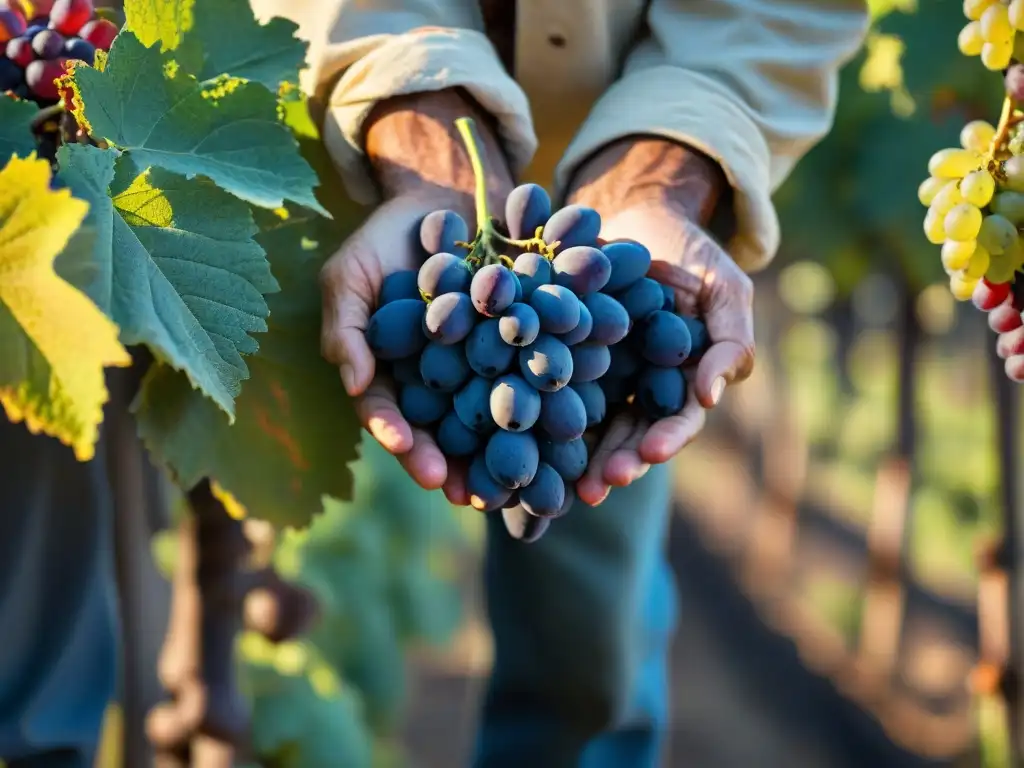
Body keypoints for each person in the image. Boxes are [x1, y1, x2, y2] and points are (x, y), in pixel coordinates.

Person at [254, 1, 868, 765]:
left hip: (620, 241)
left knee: (592, 663)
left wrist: (671, 170)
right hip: (367, 174)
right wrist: (414, 113)